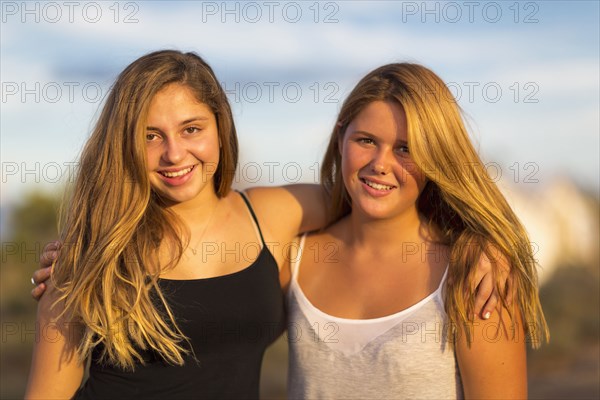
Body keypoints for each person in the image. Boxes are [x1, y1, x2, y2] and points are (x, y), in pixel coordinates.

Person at [27, 50, 506, 399]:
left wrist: (487, 239)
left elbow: (389, 195)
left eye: (191, 129)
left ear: (220, 128)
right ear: (123, 145)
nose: (174, 153)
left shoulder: (274, 215)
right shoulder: (88, 257)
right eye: (150, 136)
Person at [281, 63, 549, 399]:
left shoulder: (476, 277)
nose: (381, 163)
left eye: (405, 149)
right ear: (340, 139)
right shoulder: (293, 257)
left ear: (435, 158)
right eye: (366, 140)